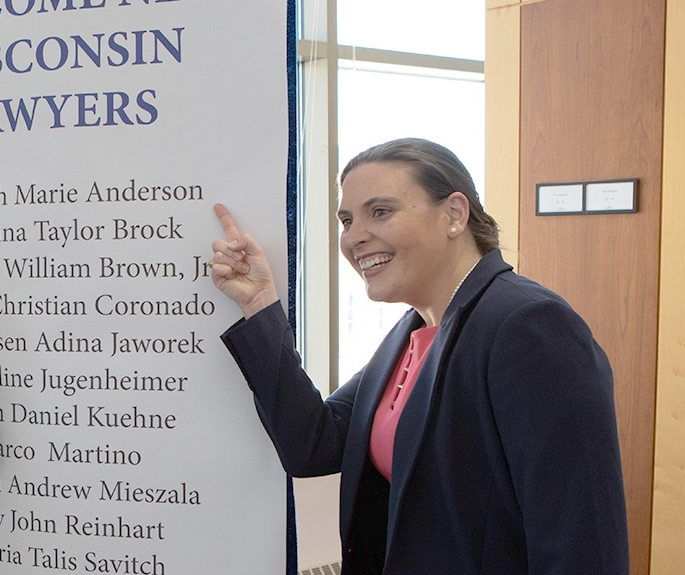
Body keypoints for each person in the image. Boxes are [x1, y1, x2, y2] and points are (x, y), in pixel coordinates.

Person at [208, 138, 628, 573]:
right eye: (347, 219)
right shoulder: (412, 333)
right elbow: (312, 445)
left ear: (454, 215)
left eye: (381, 211)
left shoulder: (529, 326)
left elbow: (582, 539)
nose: (354, 236)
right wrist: (260, 305)